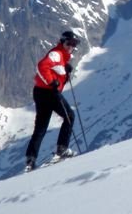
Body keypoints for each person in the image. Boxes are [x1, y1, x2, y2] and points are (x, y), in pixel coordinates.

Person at [25, 30, 80, 171]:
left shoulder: (61, 56)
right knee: (70, 116)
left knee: (41, 127)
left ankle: (30, 161)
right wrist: (52, 82)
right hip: (49, 92)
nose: (71, 46)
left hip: (40, 92)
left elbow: (54, 71)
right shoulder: (56, 54)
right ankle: (62, 149)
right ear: (63, 42)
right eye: (69, 43)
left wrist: (65, 72)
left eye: (73, 44)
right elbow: (41, 66)